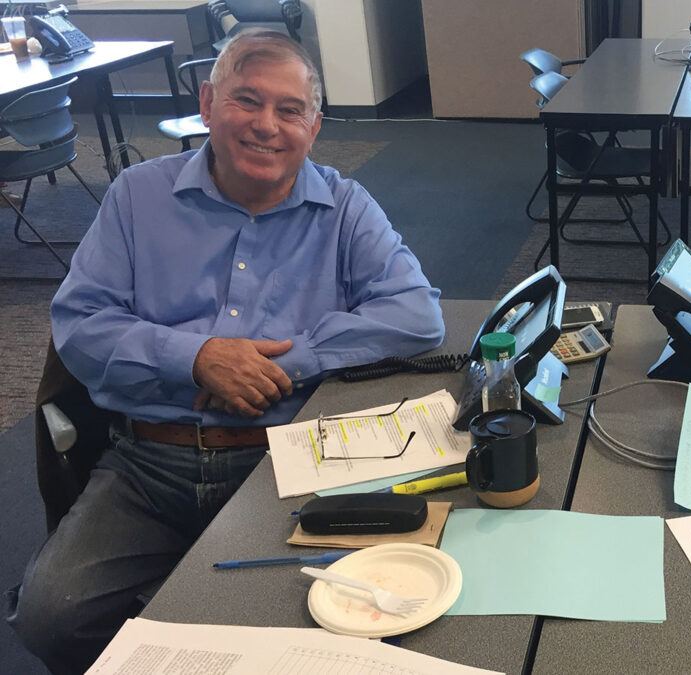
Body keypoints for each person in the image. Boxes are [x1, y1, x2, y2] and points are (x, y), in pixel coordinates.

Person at [4, 29, 444, 674]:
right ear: (209, 103)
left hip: (284, 462)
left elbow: (417, 314)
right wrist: (196, 356)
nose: (267, 125)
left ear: (314, 127)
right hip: (151, 458)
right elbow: (79, 322)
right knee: (51, 618)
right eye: (247, 100)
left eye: (290, 110)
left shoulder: (344, 207)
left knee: (330, 623)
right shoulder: (136, 196)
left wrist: (284, 365)